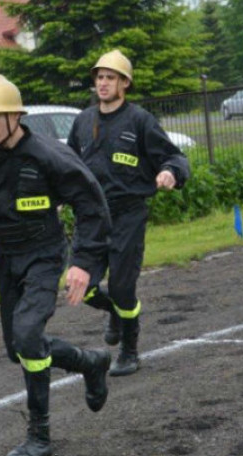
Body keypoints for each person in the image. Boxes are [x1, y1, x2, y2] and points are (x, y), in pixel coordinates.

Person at [0, 74, 113, 456]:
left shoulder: (49, 155)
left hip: (45, 253)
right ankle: (90, 363)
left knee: (28, 335)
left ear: (16, 115)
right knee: (18, 348)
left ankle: (39, 437)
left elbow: (91, 205)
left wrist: (83, 263)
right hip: (7, 256)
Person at [67, 49, 191, 377]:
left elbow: (175, 158)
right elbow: (66, 165)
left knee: (123, 289)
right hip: (90, 218)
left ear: (124, 83)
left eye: (110, 78)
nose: (103, 83)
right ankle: (117, 314)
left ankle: (130, 350)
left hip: (127, 216)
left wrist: (170, 173)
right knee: (83, 286)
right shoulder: (82, 122)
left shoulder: (139, 121)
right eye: (99, 77)